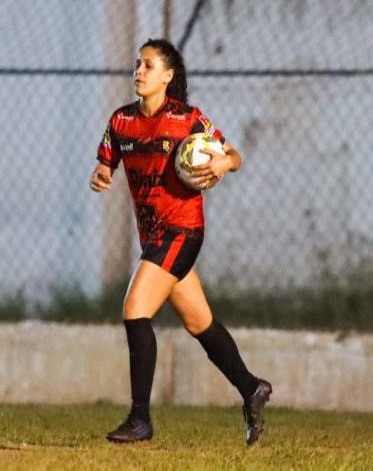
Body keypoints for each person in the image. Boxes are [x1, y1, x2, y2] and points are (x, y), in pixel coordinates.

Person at [89, 38, 272, 446]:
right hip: (154, 237)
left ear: (168, 76)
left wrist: (224, 160)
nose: (139, 71)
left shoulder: (188, 120)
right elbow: (104, 166)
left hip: (183, 230)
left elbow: (233, 155)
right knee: (199, 323)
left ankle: (140, 419)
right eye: (138, 64)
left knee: (136, 310)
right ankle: (252, 388)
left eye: (149, 65)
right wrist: (101, 175)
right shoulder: (120, 122)